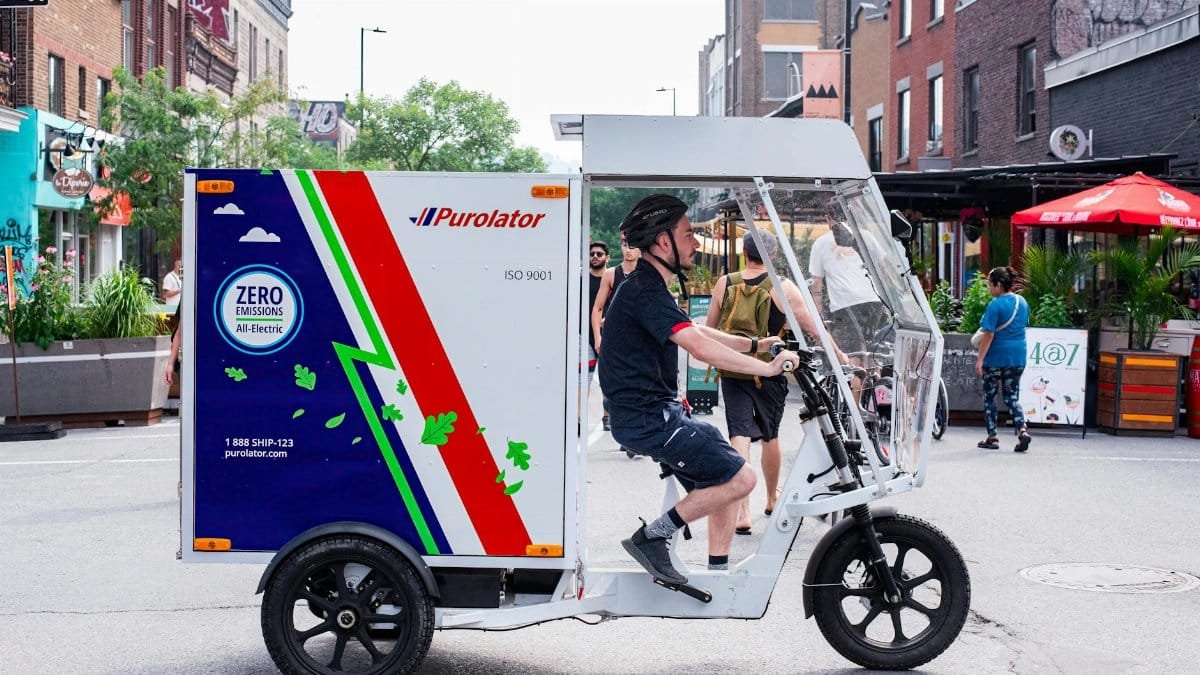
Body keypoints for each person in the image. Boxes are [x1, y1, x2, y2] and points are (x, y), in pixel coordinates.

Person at [599, 194, 799, 584]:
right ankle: (651, 538)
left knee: (726, 475)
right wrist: (767, 368)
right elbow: (698, 346)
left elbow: (700, 331)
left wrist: (756, 344)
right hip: (647, 418)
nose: (695, 242)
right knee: (743, 479)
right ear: (663, 243)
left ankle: (718, 573)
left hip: (655, 413)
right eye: (688, 234)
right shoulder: (644, 289)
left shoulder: (651, 285)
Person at [705, 230, 827, 536]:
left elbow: (709, 328)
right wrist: (838, 354)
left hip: (733, 369)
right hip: (770, 370)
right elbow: (812, 328)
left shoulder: (726, 282)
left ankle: (742, 511)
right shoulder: (783, 287)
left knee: (740, 435)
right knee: (770, 435)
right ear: (773, 256)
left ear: (744, 253)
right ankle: (771, 498)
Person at [975, 266, 1031, 453]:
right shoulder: (1021, 302)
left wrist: (980, 360)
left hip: (995, 359)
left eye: (990, 285)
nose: (989, 289)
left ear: (998, 285)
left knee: (990, 397)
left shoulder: (996, 305)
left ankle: (992, 437)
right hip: (1017, 358)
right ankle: (1022, 430)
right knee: (1011, 397)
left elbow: (988, 335)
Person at [809, 221, 887, 355]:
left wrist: (819, 316)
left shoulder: (821, 242)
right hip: (874, 300)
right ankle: (874, 374)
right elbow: (883, 267)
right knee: (873, 351)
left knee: (851, 355)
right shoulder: (866, 236)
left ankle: (859, 374)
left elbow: (816, 284)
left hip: (845, 304)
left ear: (829, 218)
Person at [591, 232, 639, 431]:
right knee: (613, 383)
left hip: (639, 339)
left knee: (636, 385)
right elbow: (597, 308)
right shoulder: (611, 274)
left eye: (632, 245)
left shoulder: (649, 272)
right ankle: (612, 418)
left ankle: (631, 429)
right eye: (624, 244)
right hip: (614, 338)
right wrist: (597, 337)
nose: (628, 250)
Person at [586, 241, 609, 385]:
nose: (595, 256)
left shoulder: (614, 280)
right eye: (592, 254)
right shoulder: (580, 281)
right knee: (582, 383)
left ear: (607, 257)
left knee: (610, 386)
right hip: (584, 339)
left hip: (609, 338)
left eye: (599, 254)